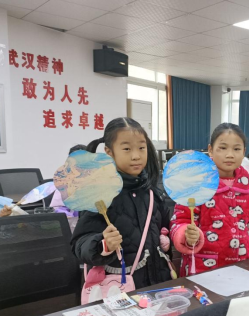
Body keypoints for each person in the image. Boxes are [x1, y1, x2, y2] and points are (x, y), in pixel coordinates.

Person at [71, 118, 174, 288]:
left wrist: (173, 237)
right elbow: (79, 244)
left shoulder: (153, 192)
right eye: (127, 149)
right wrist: (102, 244)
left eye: (141, 148)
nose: (136, 156)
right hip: (119, 289)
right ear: (109, 152)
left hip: (158, 284)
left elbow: (165, 229)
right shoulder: (99, 194)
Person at [170, 123, 249, 276]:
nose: (230, 155)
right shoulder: (196, 185)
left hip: (243, 264)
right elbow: (180, 220)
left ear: (244, 152)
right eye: (223, 148)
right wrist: (185, 234)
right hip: (204, 267)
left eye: (236, 149)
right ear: (210, 150)